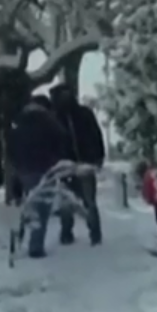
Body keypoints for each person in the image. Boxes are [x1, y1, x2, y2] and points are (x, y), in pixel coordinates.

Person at [7, 96, 72, 259]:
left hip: (22, 170)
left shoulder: (19, 122)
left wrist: (15, 165)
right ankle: (35, 247)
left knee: (23, 207)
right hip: (43, 169)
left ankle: (17, 240)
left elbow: (9, 146)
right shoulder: (50, 122)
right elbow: (62, 140)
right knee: (41, 209)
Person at [48, 83, 105, 246]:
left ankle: (77, 233)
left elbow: (96, 135)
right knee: (77, 201)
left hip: (74, 163)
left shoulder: (57, 116)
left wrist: (98, 156)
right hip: (72, 163)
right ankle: (85, 233)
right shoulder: (65, 115)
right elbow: (96, 135)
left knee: (77, 201)